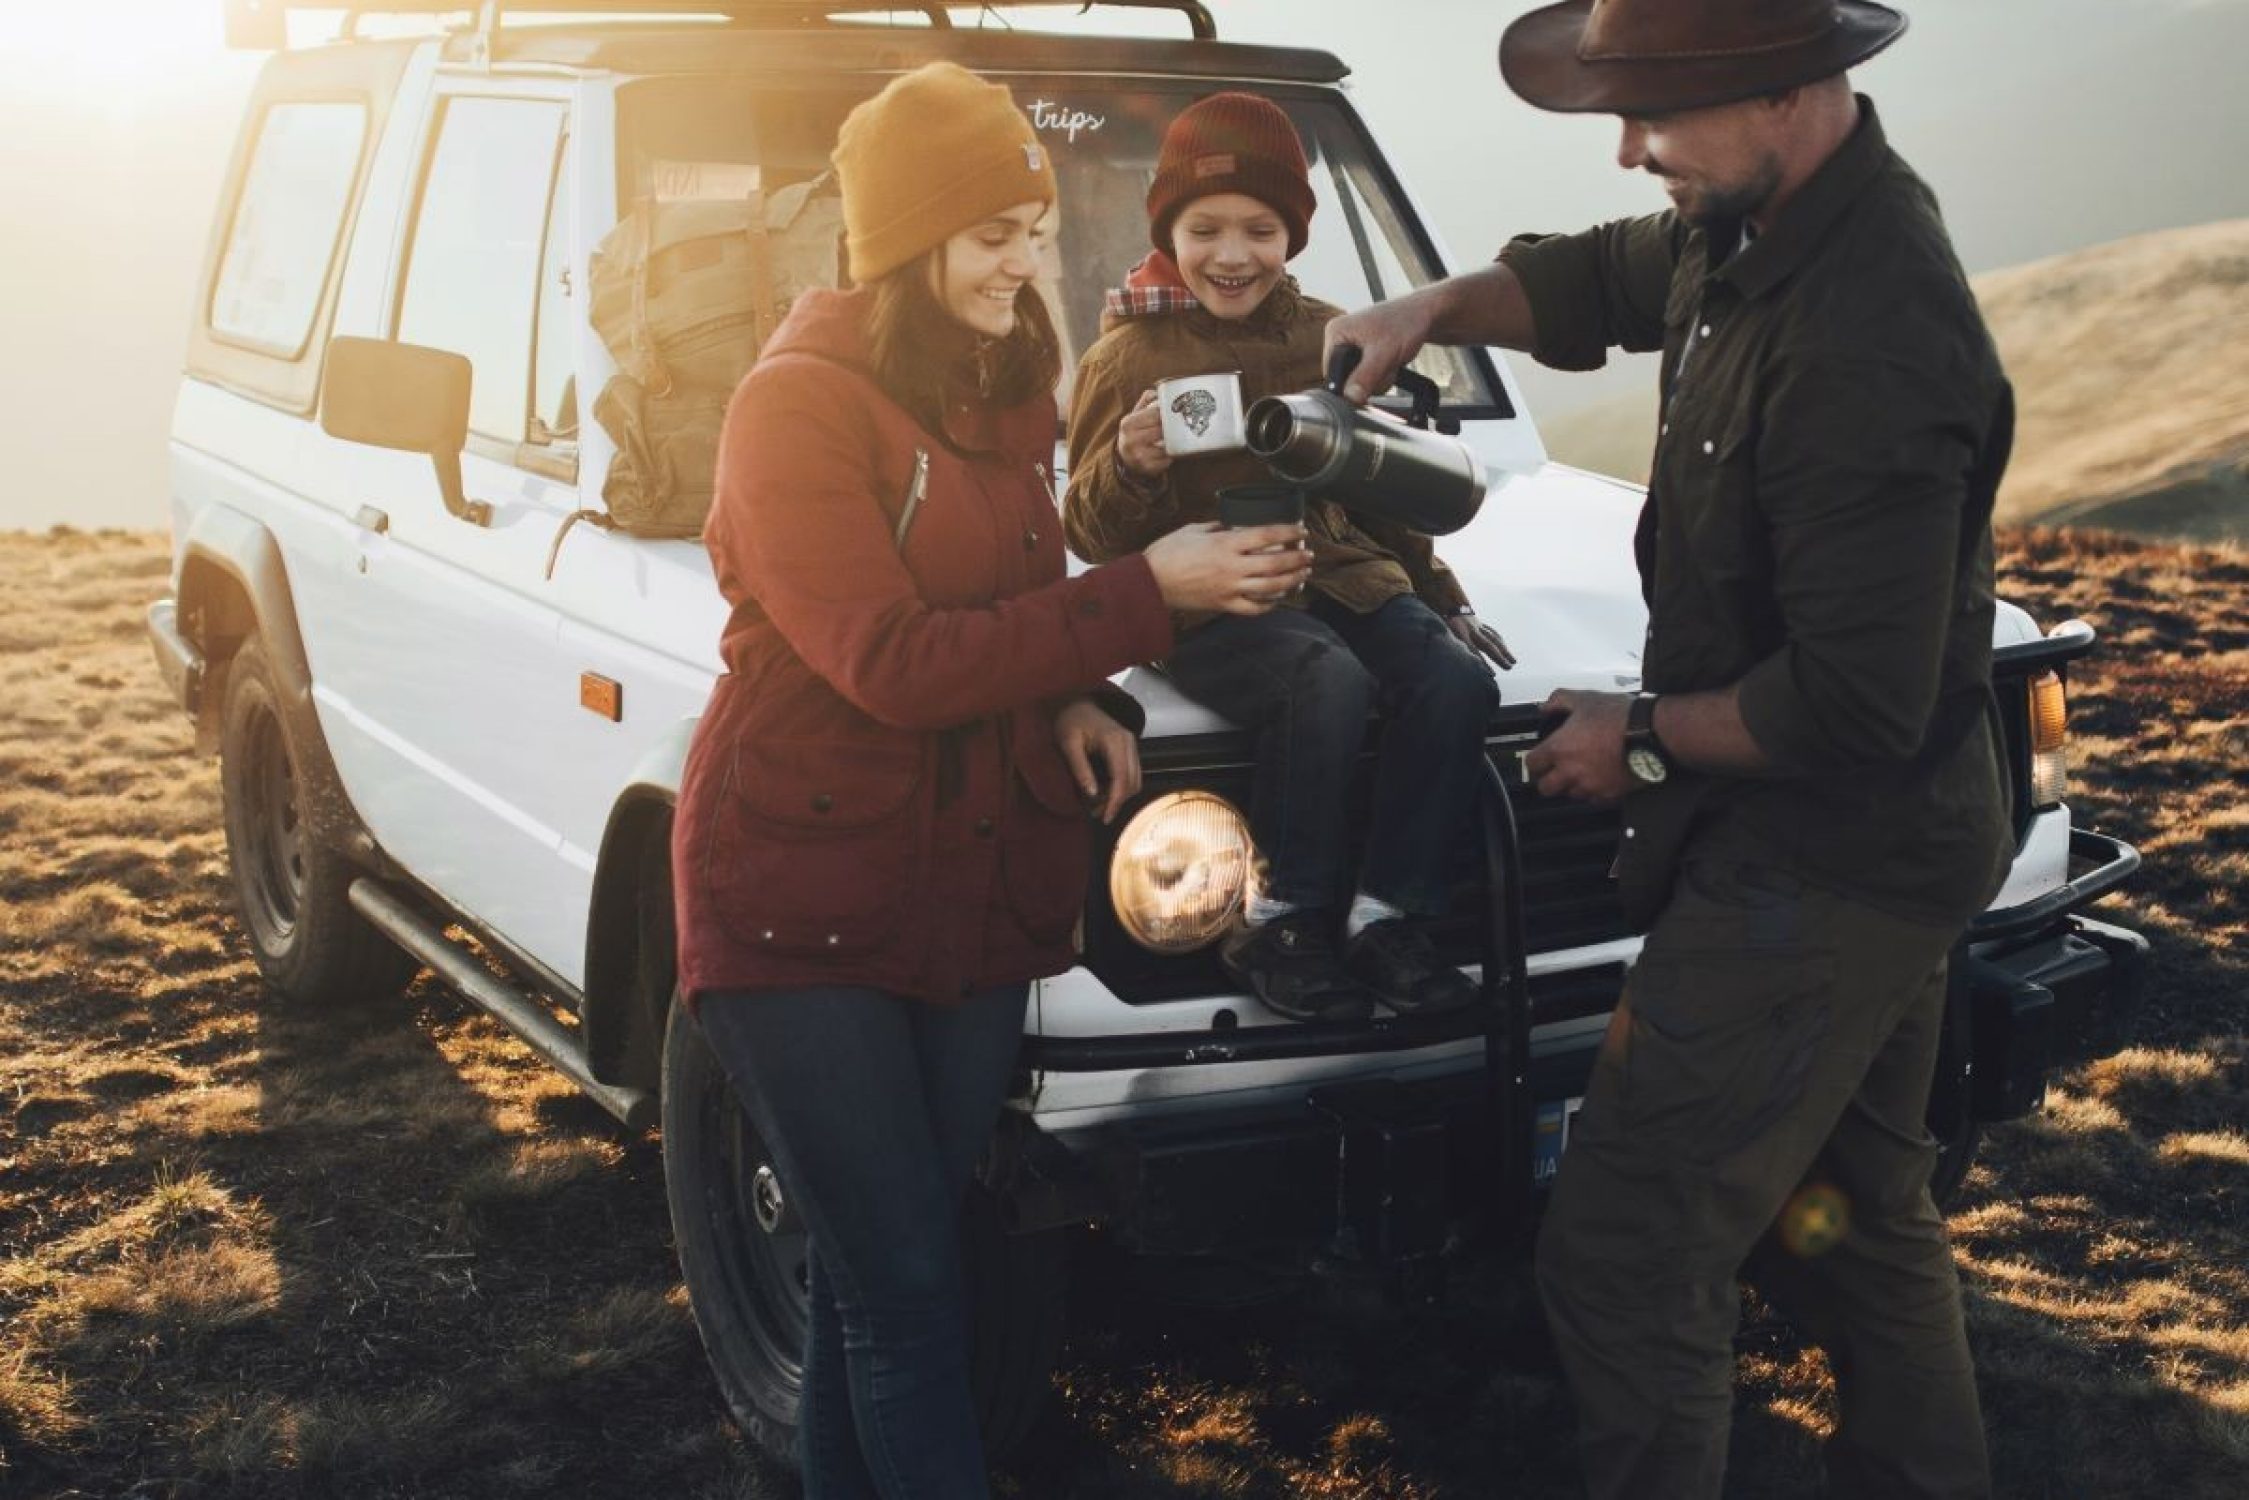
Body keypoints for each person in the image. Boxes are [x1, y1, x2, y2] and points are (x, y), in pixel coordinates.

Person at [1328, 3, 2012, 1495]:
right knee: (1851, 1202)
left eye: (1655, 118)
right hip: (1885, 845)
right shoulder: (1757, 219)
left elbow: (1852, 703)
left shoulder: (1871, 341)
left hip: (1830, 859)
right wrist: (1425, 310)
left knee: (1631, 1246)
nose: (1631, 150)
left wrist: (1634, 740)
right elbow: (1598, 278)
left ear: (1786, 94)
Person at [669, 62, 1310, 1498]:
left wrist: (1076, 689)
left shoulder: (1002, 388)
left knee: (877, 1274)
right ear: (905, 244)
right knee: (906, 1288)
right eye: (992, 236)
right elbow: (890, 659)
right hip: (799, 902)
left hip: (959, 891)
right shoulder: (794, 409)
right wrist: (1145, 599)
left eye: (1034, 228)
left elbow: (1003, 593)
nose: (1029, 264)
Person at [1063, 91, 1513, 1024]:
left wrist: (1440, 593)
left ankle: (1388, 915)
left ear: (1292, 235)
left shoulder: (1332, 335)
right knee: (1323, 678)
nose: (1233, 255)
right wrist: (1133, 462)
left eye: (1260, 229)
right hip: (1213, 601)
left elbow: (1378, 475)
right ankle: (1280, 917)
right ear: (1169, 231)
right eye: (1205, 229)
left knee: (1454, 681)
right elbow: (1091, 534)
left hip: (1344, 572)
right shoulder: (1127, 356)